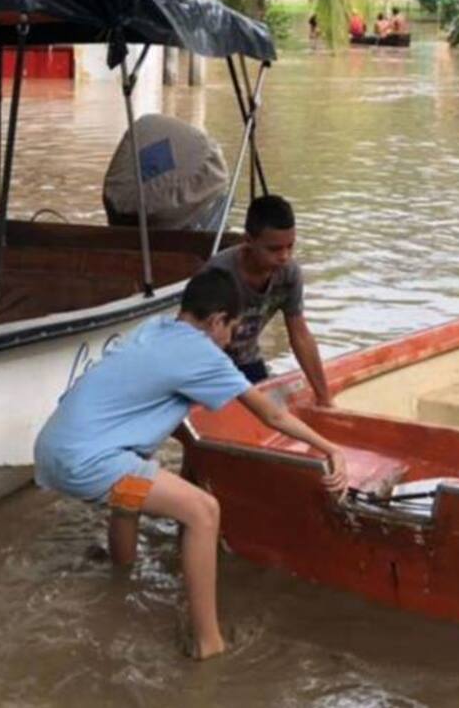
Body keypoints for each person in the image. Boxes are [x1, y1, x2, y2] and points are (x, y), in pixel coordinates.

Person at [33, 268, 349, 660]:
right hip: (88, 459)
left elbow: (149, 405)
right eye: (232, 328)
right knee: (203, 511)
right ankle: (208, 642)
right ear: (217, 321)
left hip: (54, 446)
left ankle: (122, 574)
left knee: (134, 480)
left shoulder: (154, 329)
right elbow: (273, 416)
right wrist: (329, 448)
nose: (231, 339)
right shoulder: (201, 353)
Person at [204, 195, 335, 407]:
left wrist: (324, 397)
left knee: (274, 414)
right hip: (209, 366)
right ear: (248, 241)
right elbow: (196, 340)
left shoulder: (290, 274)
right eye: (274, 249)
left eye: (290, 246)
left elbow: (300, 335)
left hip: (247, 359)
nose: (284, 256)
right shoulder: (218, 275)